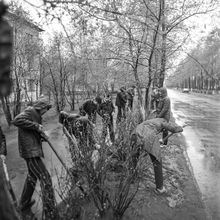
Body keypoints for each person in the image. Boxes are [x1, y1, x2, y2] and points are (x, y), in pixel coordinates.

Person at [13, 99, 58, 220]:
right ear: (40, 107)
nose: (46, 111)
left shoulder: (36, 115)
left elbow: (32, 131)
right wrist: (36, 126)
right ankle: (50, 211)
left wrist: (42, 134)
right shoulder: (30, 111)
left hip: (32, 150)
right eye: (46, 108)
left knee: (31, 178)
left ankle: (24, 203)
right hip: (30, 152)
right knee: (45, 178)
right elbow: (16, 120)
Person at [130, 118, 183, 193]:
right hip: (148, 136)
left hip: (134, 133)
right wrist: (180, 128)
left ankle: (132, 177)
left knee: (134, 157)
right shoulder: (163, 121)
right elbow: (173, 129)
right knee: (157, 161)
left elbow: (147, 132)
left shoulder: (152, 121)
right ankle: (160, 188)